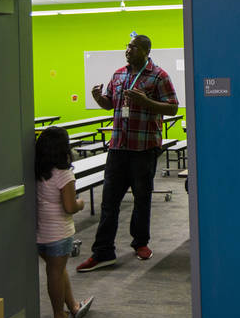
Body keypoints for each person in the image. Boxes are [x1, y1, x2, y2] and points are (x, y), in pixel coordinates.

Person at [77, 34, 179, 272]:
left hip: (143, 148)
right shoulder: (119, 74)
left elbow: (173, 107)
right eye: (127, 47)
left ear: (145, 50)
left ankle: (140, 243)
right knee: (109, 202)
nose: (128, 50)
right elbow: (111, 103)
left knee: (142, 199)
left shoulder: (159, 75)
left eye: (133, 47)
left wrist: (146, 102)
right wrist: (99, 99)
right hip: (118, 147)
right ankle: (103, 252)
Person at [35, 126, 94, 318]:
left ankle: (73, 306)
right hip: (59, 233)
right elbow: (69, 207)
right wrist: (81, 203)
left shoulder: (37, 172)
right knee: (55, 273)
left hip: (40, 233)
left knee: (58, 271)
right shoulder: (64, 174)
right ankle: (59, 316)